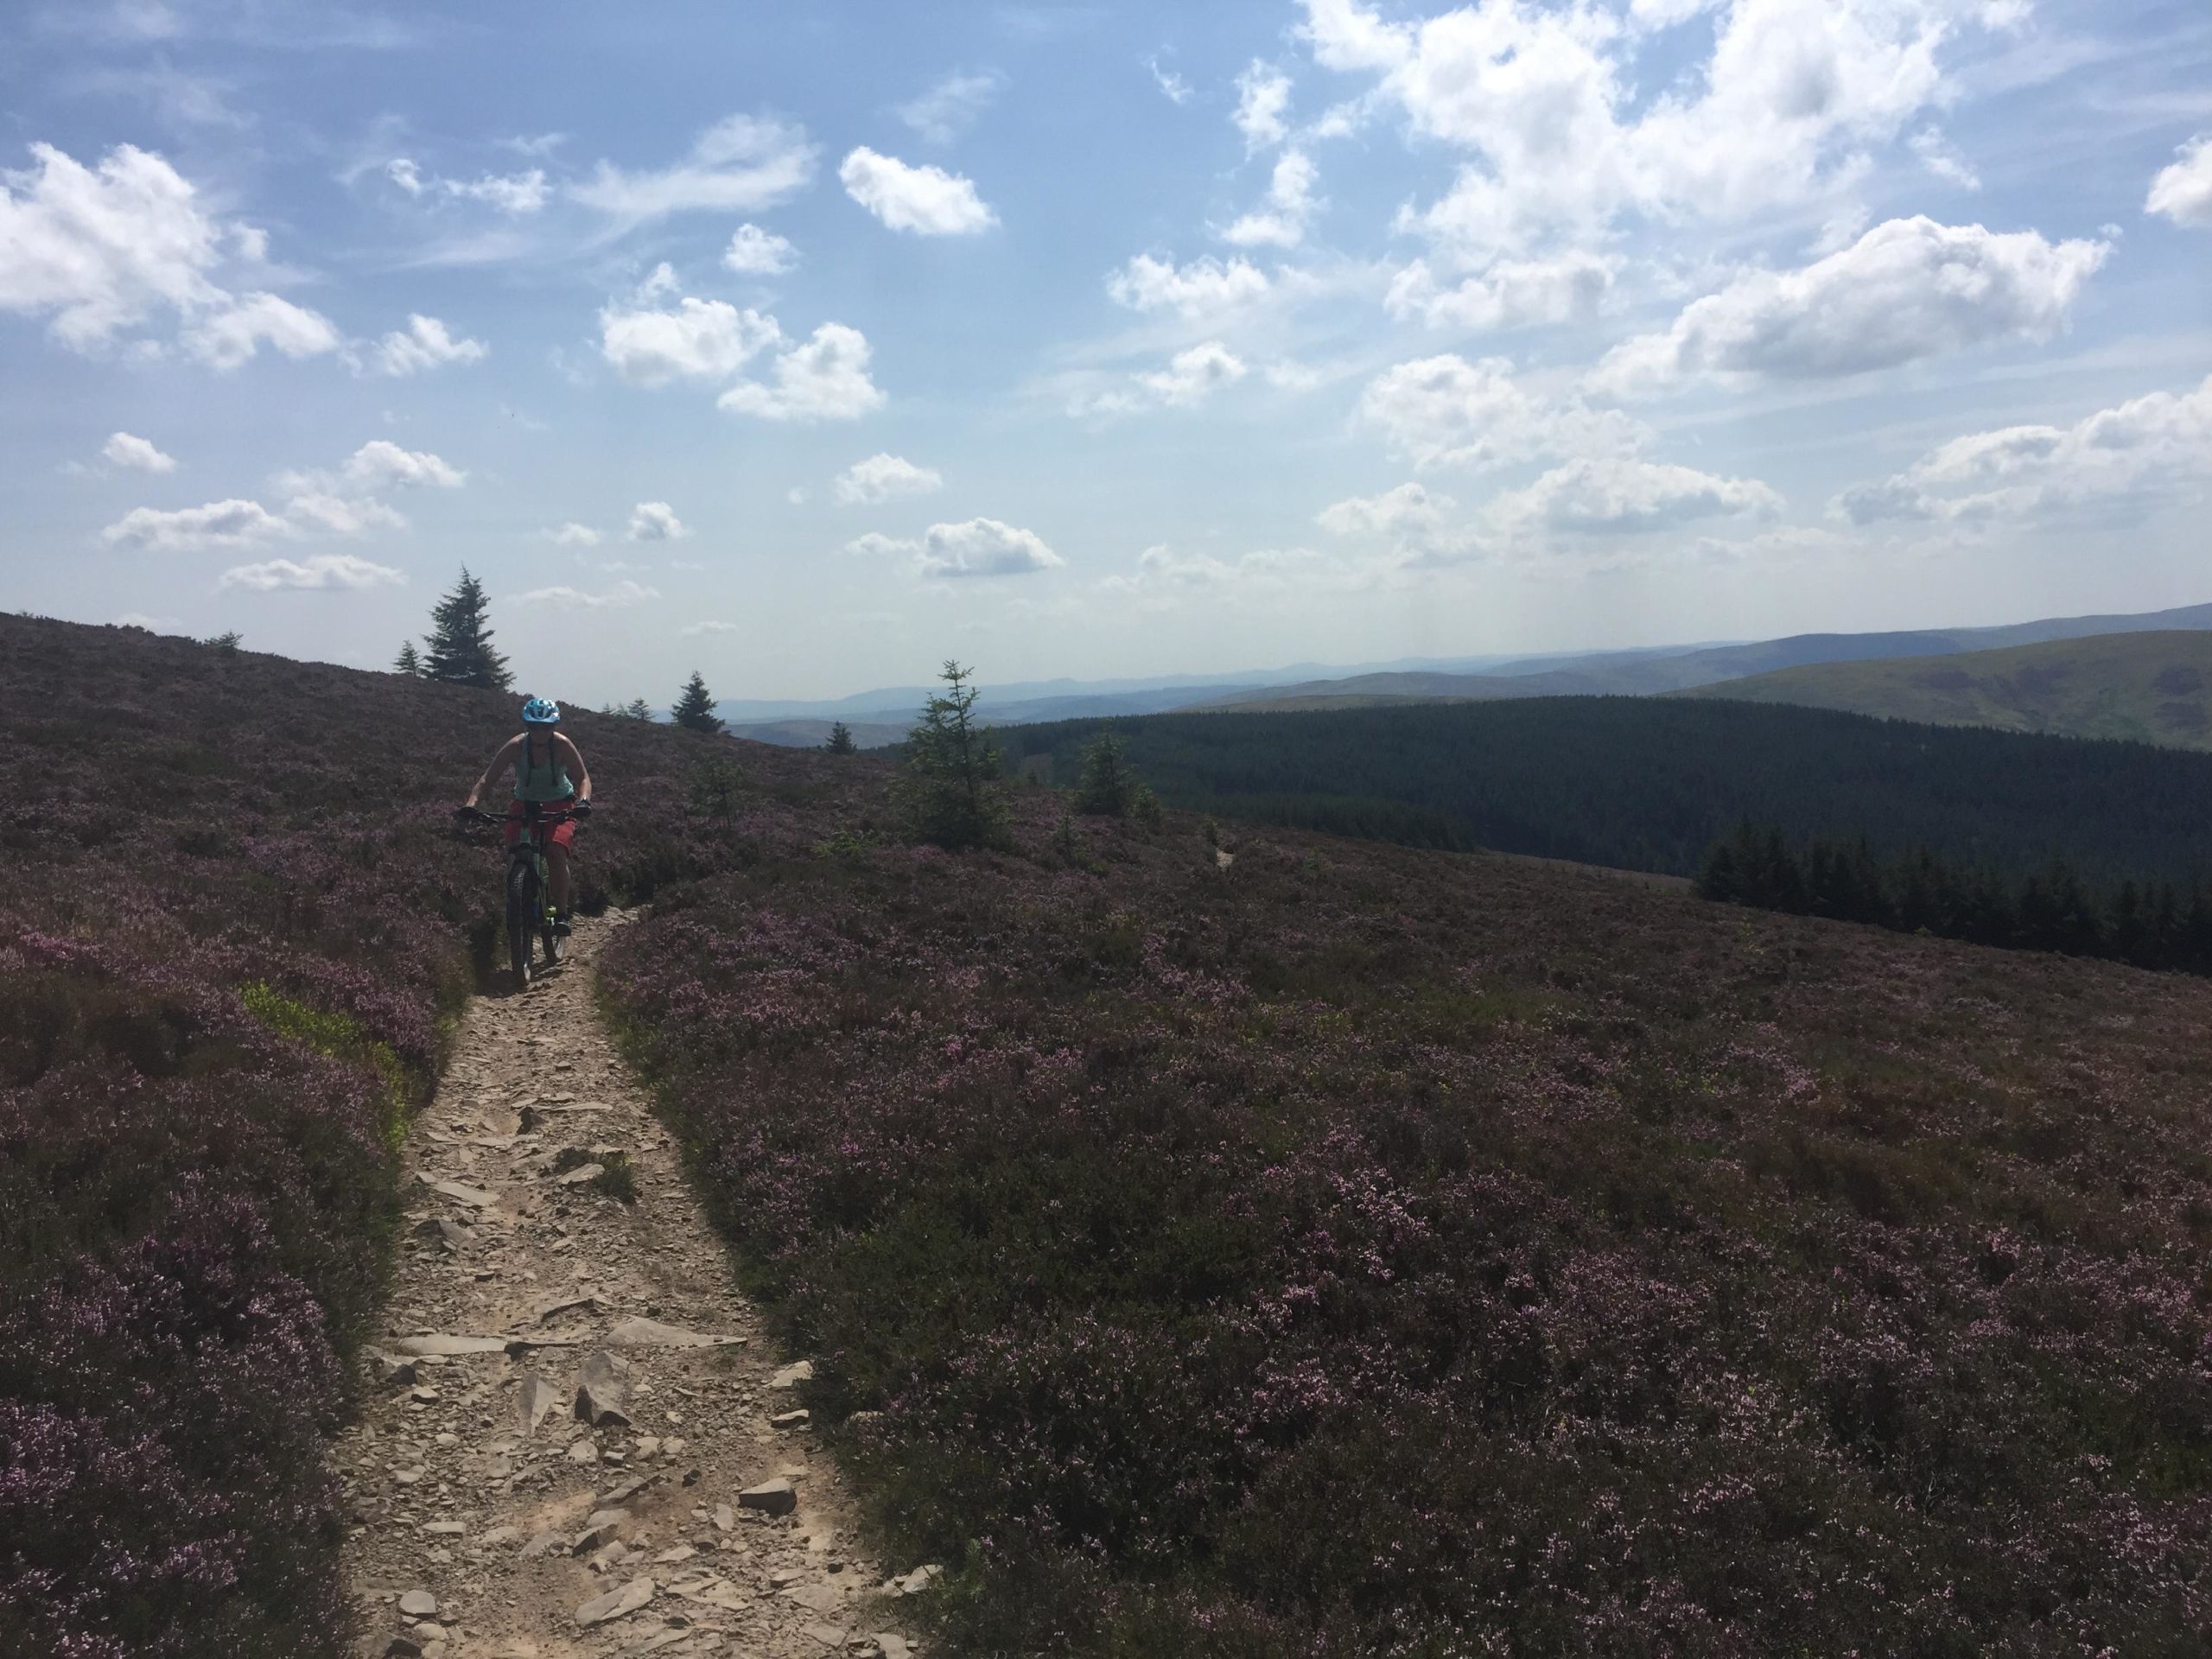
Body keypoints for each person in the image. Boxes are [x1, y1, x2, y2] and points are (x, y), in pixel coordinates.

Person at [462, 696, 593, 932]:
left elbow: (583, 778)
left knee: (555, 851)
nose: (540, 732)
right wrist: (471, 804)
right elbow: (487, 779)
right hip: (524, 802)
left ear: (553, 727)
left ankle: (561, 914)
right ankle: (518, 896)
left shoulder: (562, 745)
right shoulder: (515, 747)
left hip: (559, 802)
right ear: (527, 726)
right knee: (515, 849)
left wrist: (583, 802)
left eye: (546, 727)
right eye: (534, 726)